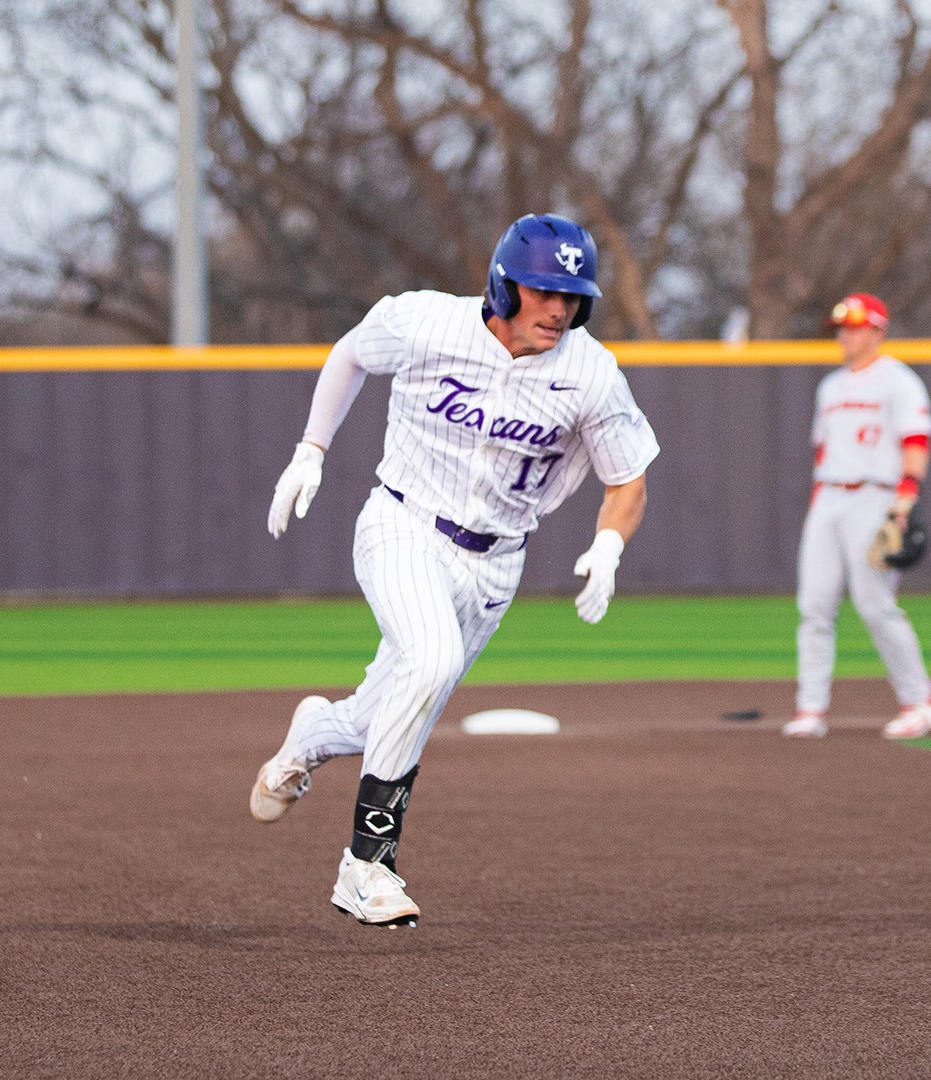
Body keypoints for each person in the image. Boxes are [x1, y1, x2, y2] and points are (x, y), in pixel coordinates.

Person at [253, 213, 660, 927]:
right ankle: (366, 864)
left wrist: (609, 547)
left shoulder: (589, 370)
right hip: (402, 523)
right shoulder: (424, 323)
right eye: (542, 290)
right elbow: (349, 354)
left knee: (385, 711)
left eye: (572, 295)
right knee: (431, 659)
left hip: (496, 564)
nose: (559, 308)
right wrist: (310, 449)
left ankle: (311, 735)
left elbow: (628, 479)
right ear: (504, 286)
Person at [783, 292, 931, 740]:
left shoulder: (898, 381)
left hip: (875, 496)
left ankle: (922, 702)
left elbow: (916, 441)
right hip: (831, 497)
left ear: (878, 330)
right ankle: (810, 710)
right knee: (814, 606)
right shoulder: (831, 387)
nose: (845, 335)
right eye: (841, 327)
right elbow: (823, 451)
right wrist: (817, 506)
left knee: (875, 604)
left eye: (855, 327)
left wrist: (904, 501)